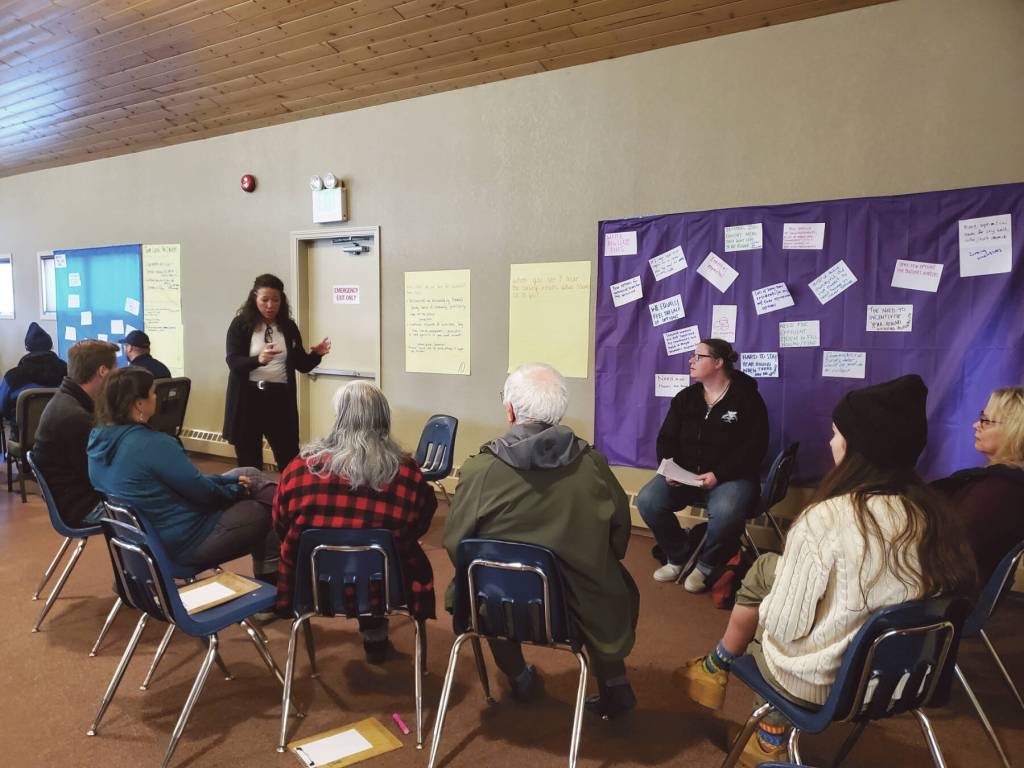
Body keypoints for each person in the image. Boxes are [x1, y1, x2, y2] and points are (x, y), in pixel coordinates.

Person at [677, 375, 976, 766]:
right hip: (904, 681)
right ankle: (714, 668)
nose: (830, 442)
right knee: (770, 570)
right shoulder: (933, 516)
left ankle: (764, 734)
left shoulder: (826, 519)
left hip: (822, 686)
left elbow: (785, 627)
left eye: (836, 434)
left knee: (763, 624)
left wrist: (767, 612)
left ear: (858, 448)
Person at [444, 363, 640, 717]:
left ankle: (519, 678)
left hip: (504, 608)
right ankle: (613, 682)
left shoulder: (479, 470)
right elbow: (620, 534)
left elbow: (456, 545)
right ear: (559, 412)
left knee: (484, 590)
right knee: (611, 584)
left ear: (510, 410)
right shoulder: (592, 465)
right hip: (577, 607)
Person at [273, 381, 437, 662]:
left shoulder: (299, 469)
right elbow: (419, 524)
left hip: (313, 586)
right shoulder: (407, 473)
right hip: (386, 589)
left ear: (339, 419)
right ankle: (375, 636)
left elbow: (280, 524)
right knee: (388, 556)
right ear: (384, 420)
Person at [88, 367, 280, 587]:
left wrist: (229, 482)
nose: (156, 397)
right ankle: (276, 580)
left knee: (246, 473)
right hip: (183, 542)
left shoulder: (97, 442)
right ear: (139, 404)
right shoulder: (154, 444)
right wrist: (235, 491)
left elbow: (187, 482)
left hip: (141, 542)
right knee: (265, 510)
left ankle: (293, 510)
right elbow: (203, 494)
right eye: (152, 392)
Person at [636, 338, 769, 592]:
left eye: (698, 356)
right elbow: (666, 439)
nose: (691, 361)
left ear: (718, 362)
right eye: (692, 356)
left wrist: (719, 474)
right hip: (687, 476)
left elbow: (755, 447)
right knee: (647, 500)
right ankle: (678, 556)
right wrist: (669, 469)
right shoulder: (686, 398)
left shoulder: (747, 398)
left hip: (731, 476)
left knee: (727, 511)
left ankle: (707, 566)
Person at [223, 274, 331, 470]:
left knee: (289, 456)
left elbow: (301, 364)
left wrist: (316, 355)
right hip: (248, 398)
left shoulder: (288, 327)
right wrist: (259, 360)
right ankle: (252, 498)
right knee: (249, 461)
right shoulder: (241, 325)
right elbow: (234, 362)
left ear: (282, 300)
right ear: (254, 298)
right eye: (264, 300)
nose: (270, 305)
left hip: (280, 399)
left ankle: (289, 496)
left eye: (275, 300)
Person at [933, 386, 1024, 584]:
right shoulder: (1002, 484)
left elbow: (948, 546)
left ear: (1014, 431)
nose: (976, 425)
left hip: (949, 594)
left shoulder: (1001, 491)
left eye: (986, 421)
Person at [32, 340, 117, 526]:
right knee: (157, 509)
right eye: (114, 371)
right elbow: (99, 476)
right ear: (103, 371)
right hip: (83, 506)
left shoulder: (69, 400)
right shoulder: (73, 416)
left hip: (76, 498)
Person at [0, 322, 67, 434]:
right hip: (63, 438)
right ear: (50, 345)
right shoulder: (68, 371)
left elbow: (2, 409)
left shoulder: (12, 377)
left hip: (24, 440)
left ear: (28, 347)